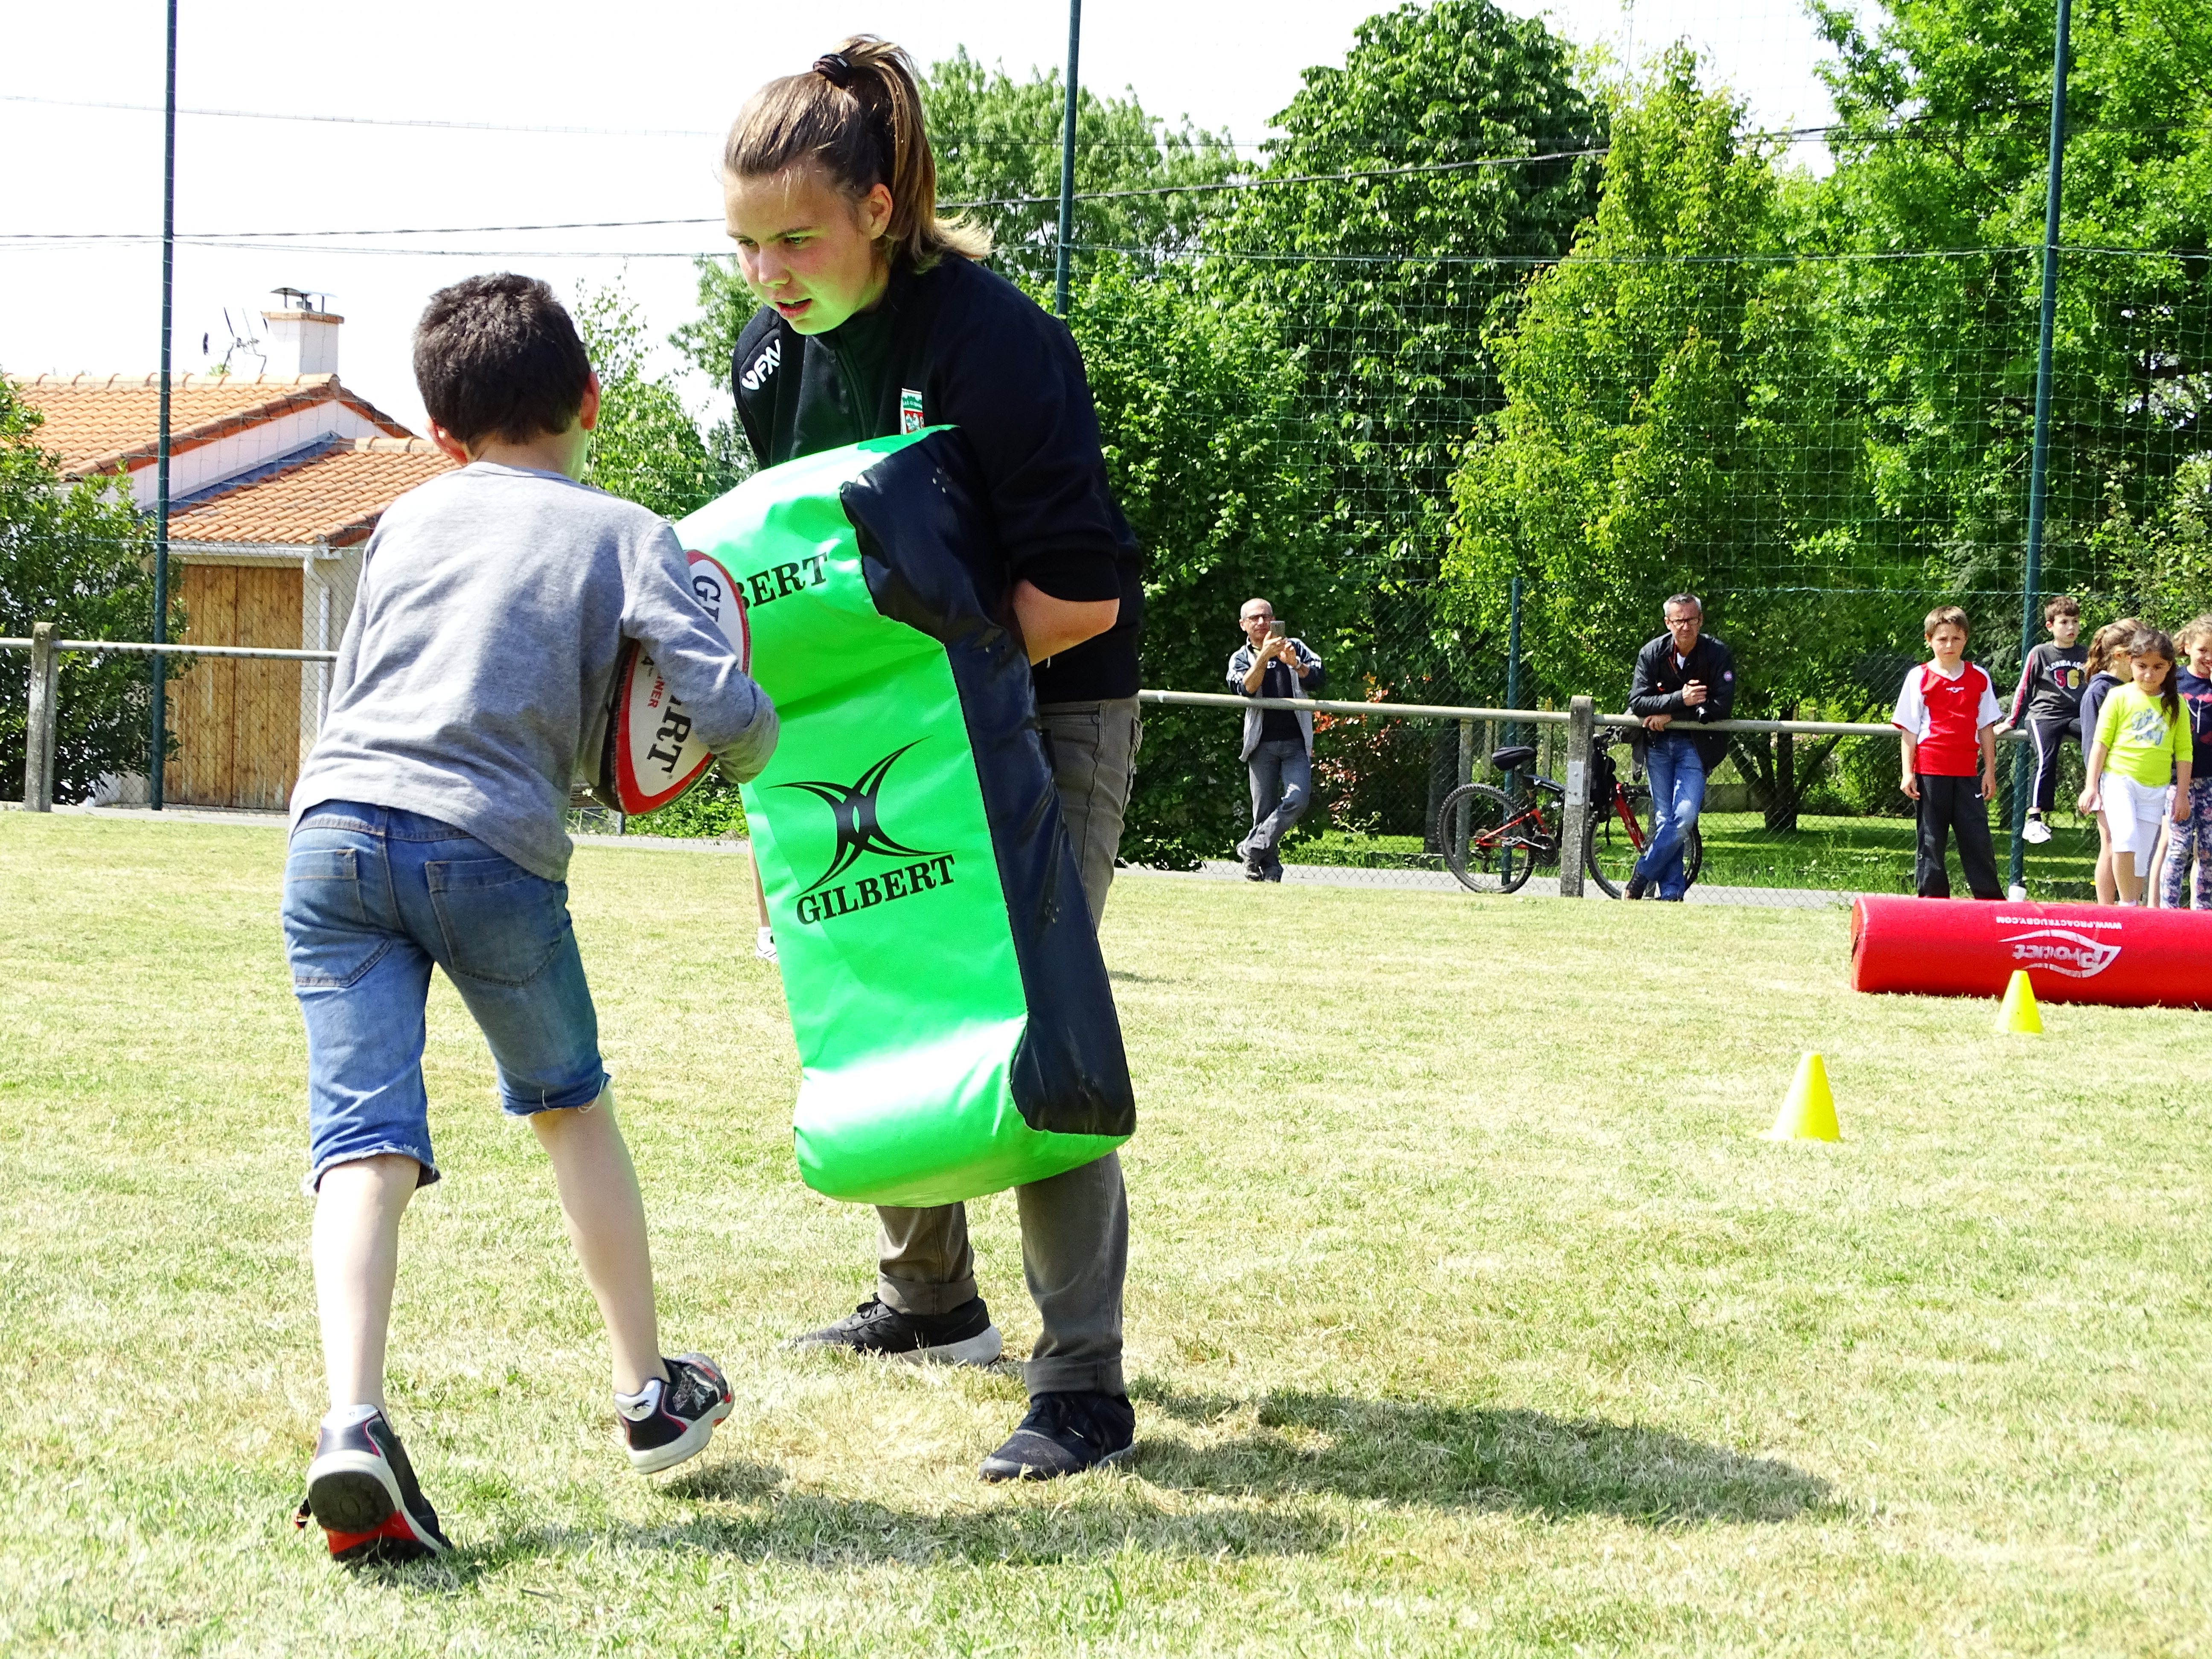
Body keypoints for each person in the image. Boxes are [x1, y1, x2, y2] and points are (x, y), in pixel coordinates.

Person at [283, 275, 779, 1562]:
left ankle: (352, 1421)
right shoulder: (627, 531)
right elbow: (724, 715)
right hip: (486, 843)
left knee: (363, 1142)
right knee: (567, 1105)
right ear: (592, 402)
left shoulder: (404, 520)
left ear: (440, 434)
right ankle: (648, 1397)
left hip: (332, 831)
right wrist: (744, 730)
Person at [721, 37, 1142, 1481]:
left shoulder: (994, 342)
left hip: (1049, 708)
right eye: (746, 244)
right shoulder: (770, 360)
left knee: (1027, 1011)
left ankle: (1080, 1378)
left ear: (881, 209)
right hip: (879, 735)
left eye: (797, 236)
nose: (771, 271)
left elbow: (1082, 591)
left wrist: (938, 699)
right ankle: (929, 1302)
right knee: (876, 987)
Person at [1624, 594, 1735, 901]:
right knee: (1664, 819)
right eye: (1678, 620)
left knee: (1684, 817)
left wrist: (1671, 714)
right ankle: (1671, 894)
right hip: (1657, 745)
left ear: (1700, 620)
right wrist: (1680, 700)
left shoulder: (1717, 654)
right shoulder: (1652, 653)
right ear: (1668, 623)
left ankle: (1641, 876)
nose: (1685, 626)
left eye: (1691, 619)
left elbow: (1721, 705)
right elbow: (1637, 702)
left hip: (1696, 747)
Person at [1892, 605, 2003, 901]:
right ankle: (1932, 902)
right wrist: (1908, 772)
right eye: (1942, 639)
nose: (1949, 645)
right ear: (1929, 640)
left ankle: (1991, 902)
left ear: (1966, 639)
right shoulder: (1919, 677)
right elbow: (1910, 730)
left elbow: (1987, 727)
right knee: (1931, 839)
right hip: (1931, 770)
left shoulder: (1979, 677)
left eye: (1956, 638)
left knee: (1977, 838)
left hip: (1968, 772)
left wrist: (1989, 770)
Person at [2081, 626, 2192, 907]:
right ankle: (2128, 907)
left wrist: (2181, 794)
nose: (2149, 674)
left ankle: (2133, 906)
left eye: (2158, 667)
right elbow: (2101, 743)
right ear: (2130, 661)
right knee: (2125, 840)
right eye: (2142, 666)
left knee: (2141, 856)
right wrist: (2091, 787)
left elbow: (2184, 752)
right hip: (2120, 781)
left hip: (2155, 789)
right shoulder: (2118, 697)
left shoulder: (2175, 703)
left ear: (2169, 668)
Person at [1226, 598, 1325, 881]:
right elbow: (1245, 688)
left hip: (1296, 741)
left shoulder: (1295, 647)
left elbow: (1318, 678)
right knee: (1264, 810)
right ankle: (1268, 869)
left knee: (1298, 799)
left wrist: (1296, 664)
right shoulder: (1241, 657)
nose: (1262, 623)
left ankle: (1251, 848)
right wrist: (1264, 657)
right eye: (1255, 618)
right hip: (1261, 744)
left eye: (1267, 617)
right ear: (1243, 625)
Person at [2004, 594, 2088, 844]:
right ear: (2050, 626)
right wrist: (2012, 721)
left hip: (2075, 717)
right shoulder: (2040, 653)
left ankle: (2100, 796)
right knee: (2045, 759)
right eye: (2064, 622)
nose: (2071, 627)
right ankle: (2035, 819)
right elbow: (2024, 688)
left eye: (2075, 621)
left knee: (2100, 744)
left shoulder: (2087, 653)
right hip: (2045, 716)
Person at [2079, 619, 2140, 905]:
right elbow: (2093, 745)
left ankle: (2129, 907)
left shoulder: (2135, 690)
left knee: (2131, 846)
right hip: (2107, 781)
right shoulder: (2100, 691)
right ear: (2120, 656)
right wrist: (2097, 785)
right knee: (2112, 843)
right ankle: (2106, 909)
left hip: (2135, 779)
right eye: (2137, 656)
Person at [2160, 616, 2212, 908]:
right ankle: (2169, 909)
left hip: (2209, 779)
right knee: (2178, 847)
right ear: (2188, 647)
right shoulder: (2175, 681)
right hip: (2177, 778)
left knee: (2208, 850)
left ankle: (2203, 910)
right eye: (2204, 650)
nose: (2210, 658)